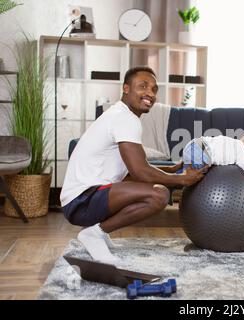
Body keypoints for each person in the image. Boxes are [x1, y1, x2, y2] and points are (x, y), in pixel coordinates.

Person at [60, 67, 205, 264]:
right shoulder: (125, 118)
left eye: (154, 89)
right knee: (159, 195)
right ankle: (95, 233)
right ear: (126, 88)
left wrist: (169, 170)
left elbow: (134, 168)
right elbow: (140, 171)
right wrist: (181, 180)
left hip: (81, 198)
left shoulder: (120, 114)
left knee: (151, 187)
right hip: (81, 201)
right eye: (143, 86)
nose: (150, 94)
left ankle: (99, 234)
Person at [178, 128, 244, 179]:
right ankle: (177, 178)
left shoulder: (235, 144)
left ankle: (174, 178)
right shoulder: (243, 153)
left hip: (195, 143)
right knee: (196, 177)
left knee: (184, 173)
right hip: (202, 153)